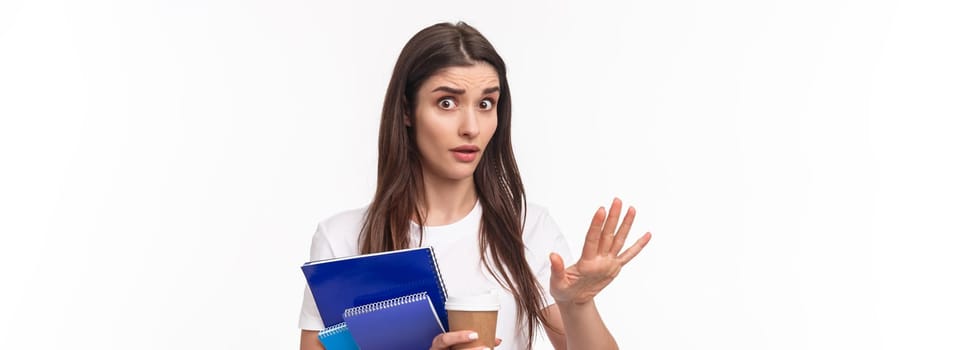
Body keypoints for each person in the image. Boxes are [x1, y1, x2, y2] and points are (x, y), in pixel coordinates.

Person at [298, 21, 652, 350]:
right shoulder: (341, 238)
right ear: (407, 112)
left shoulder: (527, 229)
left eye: (486, 104)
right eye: (447, 102)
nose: (471, 127)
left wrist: (577, 304)